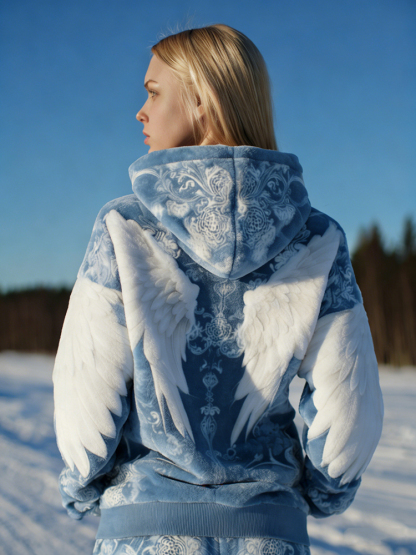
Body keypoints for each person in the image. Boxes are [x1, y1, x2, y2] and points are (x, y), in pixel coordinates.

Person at [53, 24, 384, 555]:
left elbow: (84, 403)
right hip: (269, 533)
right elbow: (350, 410)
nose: (140, 111)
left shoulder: (123, 227)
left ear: (202, 98)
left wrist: (85, 491)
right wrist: (321, 496)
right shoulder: (317, 239)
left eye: (154, 92)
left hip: (147, 533)